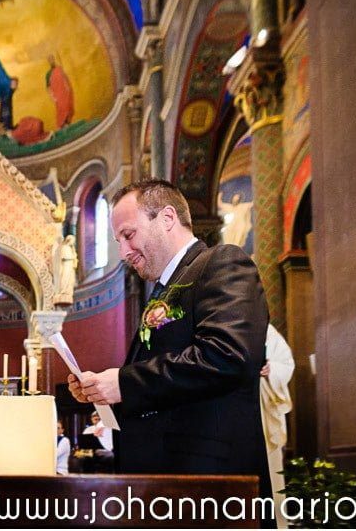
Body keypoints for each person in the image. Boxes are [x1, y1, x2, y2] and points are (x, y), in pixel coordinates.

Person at [68, 179, 273, 525]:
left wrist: (124, 384)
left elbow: (227, 356)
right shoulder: (164, 289)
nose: (123, 252)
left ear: (166, 218)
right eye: (118, 240)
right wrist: (105, 393)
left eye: (128, 235)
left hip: (209, 489)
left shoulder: (221, 264)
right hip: (165, 489)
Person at [260, 323, 294, 529]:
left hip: (262, 405)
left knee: (270, 473)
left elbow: (286, 363)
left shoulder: (267, 330)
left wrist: (271, 368)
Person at [46, 54, 74, 128]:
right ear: (48, 61)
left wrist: (68, 88)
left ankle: (68, 123)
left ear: (54, 59)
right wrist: (52, 97)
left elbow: (65, 79)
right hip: (58, 94)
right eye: (50, 59)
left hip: (65, 92)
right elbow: (48, 87)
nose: (51, 60)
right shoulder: (48, 74)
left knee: (69, 106)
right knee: (62, 109)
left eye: (52, 58)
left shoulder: (60, 68)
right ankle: (62, 124)